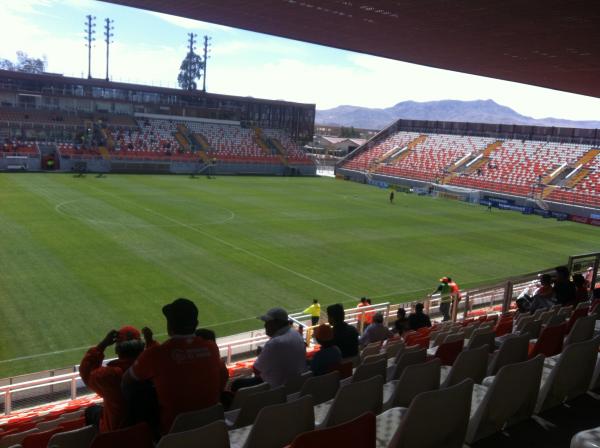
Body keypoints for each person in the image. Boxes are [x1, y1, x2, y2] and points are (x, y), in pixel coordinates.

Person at [123, 298, 223, 434]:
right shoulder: (212, 348)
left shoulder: (156, 354)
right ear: (197, 324)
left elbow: (126, 380)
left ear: (169, 326)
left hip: (173, 434)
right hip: (211, 429)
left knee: (137, 390)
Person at [79, 326, 148, 432]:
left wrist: (102, 346)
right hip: (146, 432)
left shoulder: (111, 375)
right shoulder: (152, 368)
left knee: (91, 411)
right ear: (141, 347)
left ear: (117, 350)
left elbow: (87, 373)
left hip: (116, 432)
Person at [234, 307, 307, 390]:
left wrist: (260, 356)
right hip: (296, 385)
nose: (265, 325)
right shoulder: (296, 334)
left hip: (276, 389)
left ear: (277, 323)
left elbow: (257, 370)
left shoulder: (274, 343)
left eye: (267, 322)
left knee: (236, 384)